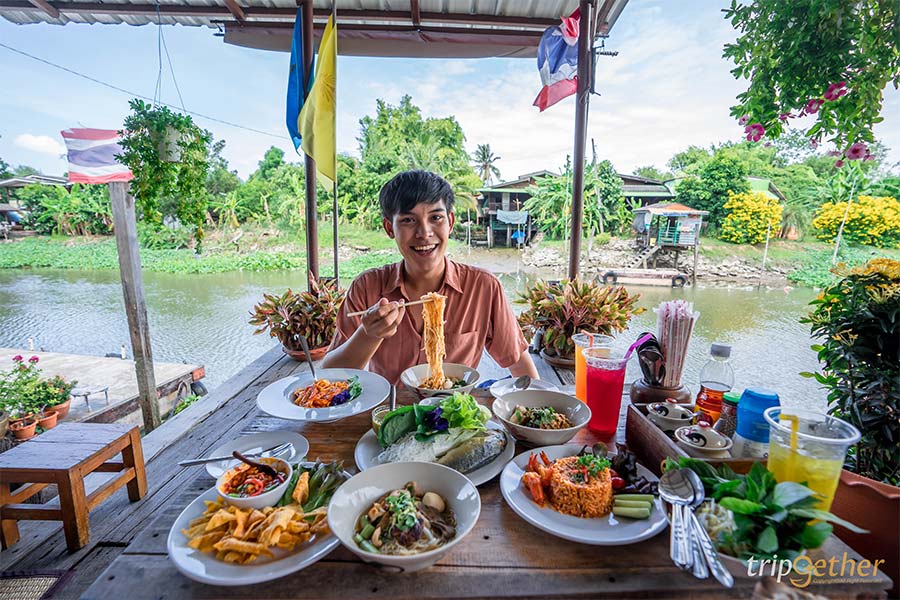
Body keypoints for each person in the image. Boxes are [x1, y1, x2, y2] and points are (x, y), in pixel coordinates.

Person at [322, 170, 539, 384]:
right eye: (408, 220)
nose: (424, 233)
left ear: (450, 222)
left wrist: (540, 402)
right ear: (389, 228)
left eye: (436, 218)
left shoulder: (483, 287)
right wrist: (369, 335)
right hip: (390, 405)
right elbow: (329, 376)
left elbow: (520, 365)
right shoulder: (367, 287)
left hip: (454, 405)